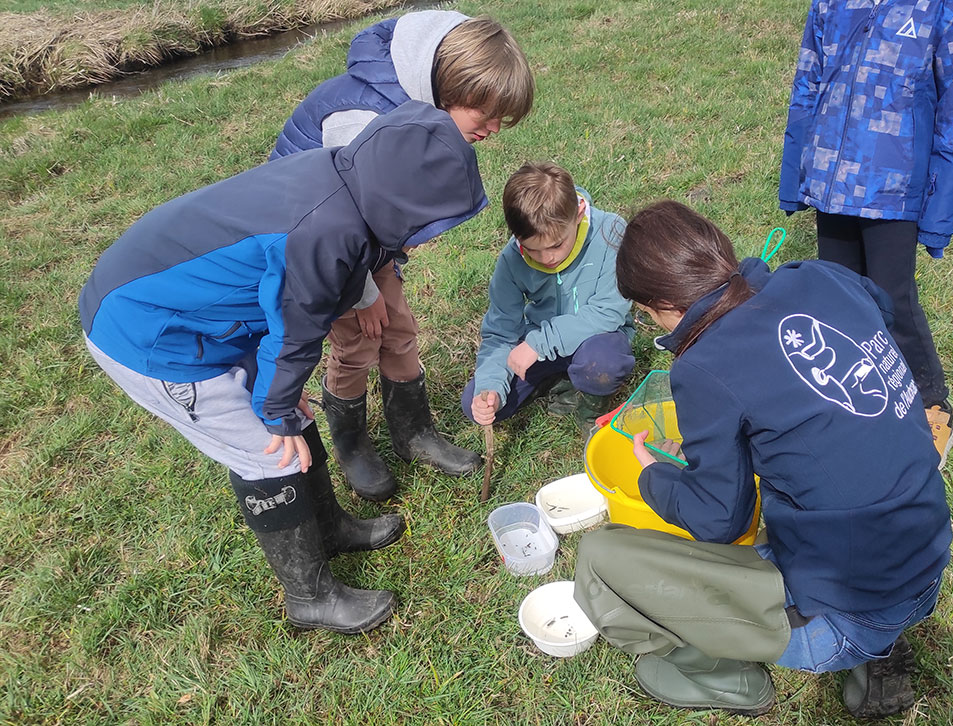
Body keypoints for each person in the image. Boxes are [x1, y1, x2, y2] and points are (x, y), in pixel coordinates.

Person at [79, 102, 488, 635]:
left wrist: (281, 396)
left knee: (292, 418)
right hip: (152, 335)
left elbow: (283, 315)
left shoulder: (344, 182)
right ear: (400, 203)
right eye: (431, 223)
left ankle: (331, 527)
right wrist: (271, 405)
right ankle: (310, 596)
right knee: (268, 449)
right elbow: (297, 326)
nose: (434, 237)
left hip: (202, 314)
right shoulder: (327, 234)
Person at [573, 201, 951, 718]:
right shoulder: (818, 276)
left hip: (850, 608)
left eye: (648, 315)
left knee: (600, 559)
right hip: (927, 555)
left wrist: (652, 475)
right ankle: (879, 644)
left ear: (662, 303)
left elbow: (719, 520)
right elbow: (878, 316)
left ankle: (730, 680)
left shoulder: (704, 364)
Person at [270, 10, 534, 502]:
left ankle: (414, 432)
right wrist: (364, 292)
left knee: (399, 329)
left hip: (366, 242)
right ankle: (352, 444)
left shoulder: (424, 101)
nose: (495, 129)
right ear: (451, 88)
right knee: (357, 341)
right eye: (487, 116)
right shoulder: (361, 121)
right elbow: (336, 230)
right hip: (316, 250)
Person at [779, 0, 953, 469]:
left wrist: (940, 211)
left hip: (895, 183)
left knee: (891, 297)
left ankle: (931, 405)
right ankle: (854, 404)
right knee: (837, 298)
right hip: (830, 176)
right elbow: (808, 82)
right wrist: (796, 173)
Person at [462, 162, 635, 432]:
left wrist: (539, 344)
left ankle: (591, 411)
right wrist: (490, 387)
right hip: (539, 345)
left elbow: (608, 311)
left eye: (556, 245)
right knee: (477, 404)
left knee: (603, 363)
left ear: (578, 214)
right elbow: (500, 331)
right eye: (532, 250)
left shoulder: (610, 231)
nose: (547, 258)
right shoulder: (511, 260)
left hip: (596, 339)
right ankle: (557, 380)